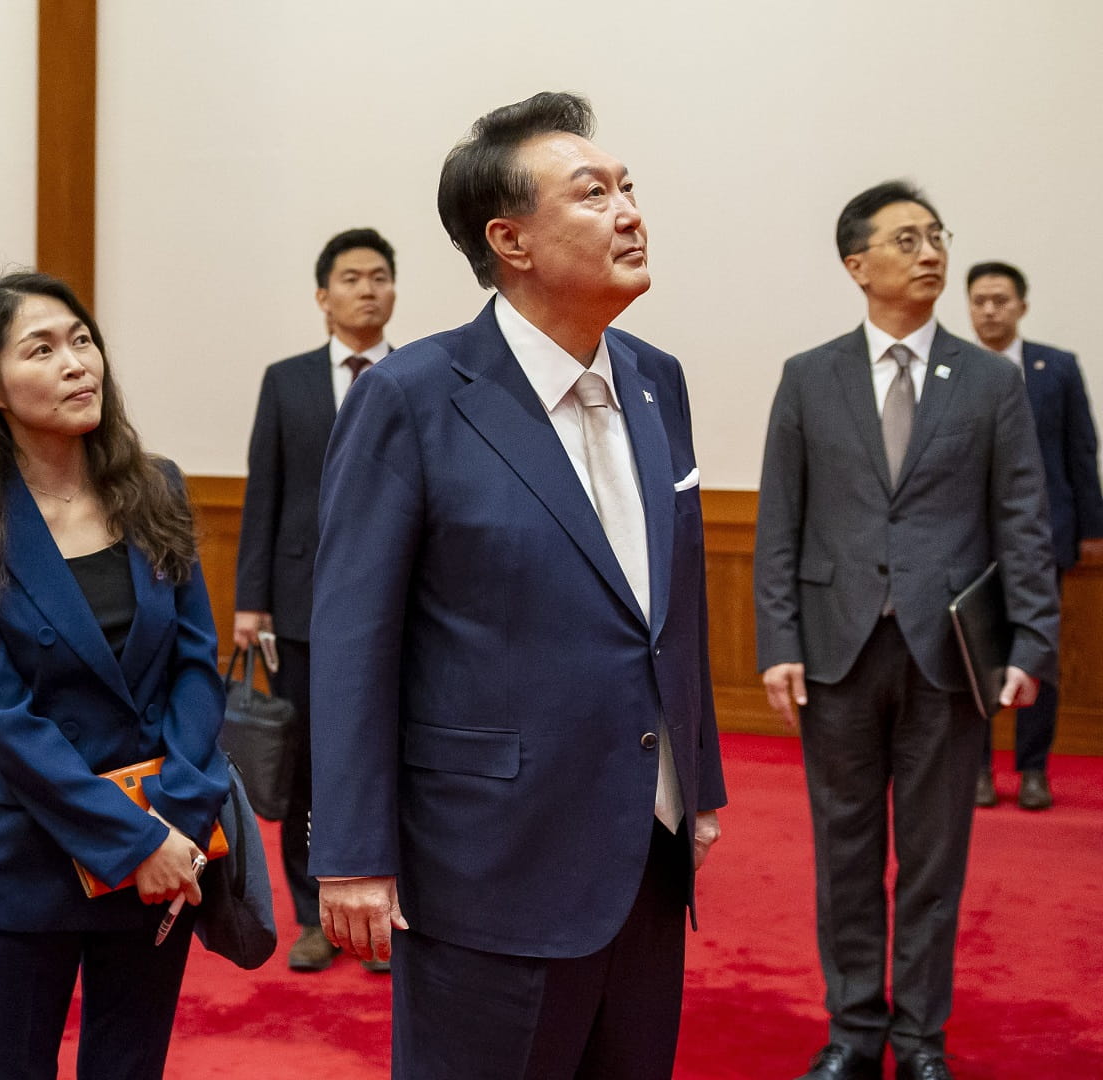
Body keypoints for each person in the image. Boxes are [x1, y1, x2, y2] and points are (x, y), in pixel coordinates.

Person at [309, 91, 724, 1079]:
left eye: (629, 187)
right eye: (593, 193)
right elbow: (355, 637)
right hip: (487, 863)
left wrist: (695, 782)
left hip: (647, 850)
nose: (629, 210)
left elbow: (675, 608)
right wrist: (355, 853)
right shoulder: (411, 397)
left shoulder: (658, 379)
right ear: (512, 240)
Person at [754, 183, 1059, 1080]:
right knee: (845, 852)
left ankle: (921, 1039)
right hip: (836, 646)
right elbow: (781, 521)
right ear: (858, 265)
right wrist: (778, 640)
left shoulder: (992, 382)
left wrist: (1032, 642)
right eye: (906, 239)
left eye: (936, 237)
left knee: (933, 859)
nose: (930, 252)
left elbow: (1023, 519)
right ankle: (853, 1030)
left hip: (949, 655)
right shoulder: (809, 375)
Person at [0, 271, 232, 1079]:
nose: (76, 363)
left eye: (82, 340)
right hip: (31, 858)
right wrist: (134, 841)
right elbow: (7, 722)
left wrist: (178, 817)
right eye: (43, 349)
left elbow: (197, 662)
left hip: (165, 844)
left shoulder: (155, 488)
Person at [233, 226, 397, 974]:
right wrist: (250, 601)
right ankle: (312, 914)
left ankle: (392, 912)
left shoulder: (421, 376)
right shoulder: (286, 379)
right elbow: (263, 496)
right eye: (353, 278)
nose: (369, 289)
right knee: (302, 765)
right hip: (299, 609)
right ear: (323, 296)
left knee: (391, 758)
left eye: (381, 277)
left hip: (399, 607)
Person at [964, 260, 1102, 810]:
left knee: (1037, 654)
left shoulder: (1056, 368)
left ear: (1021, 305)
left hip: (1043, 536)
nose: (990, 309)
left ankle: (1033, 770)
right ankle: (975, 770)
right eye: (979, 300)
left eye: (1000, 299)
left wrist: (1092, 528)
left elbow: (1081, 451)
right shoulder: (953, 368)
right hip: (967, 543)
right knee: (973, 658)